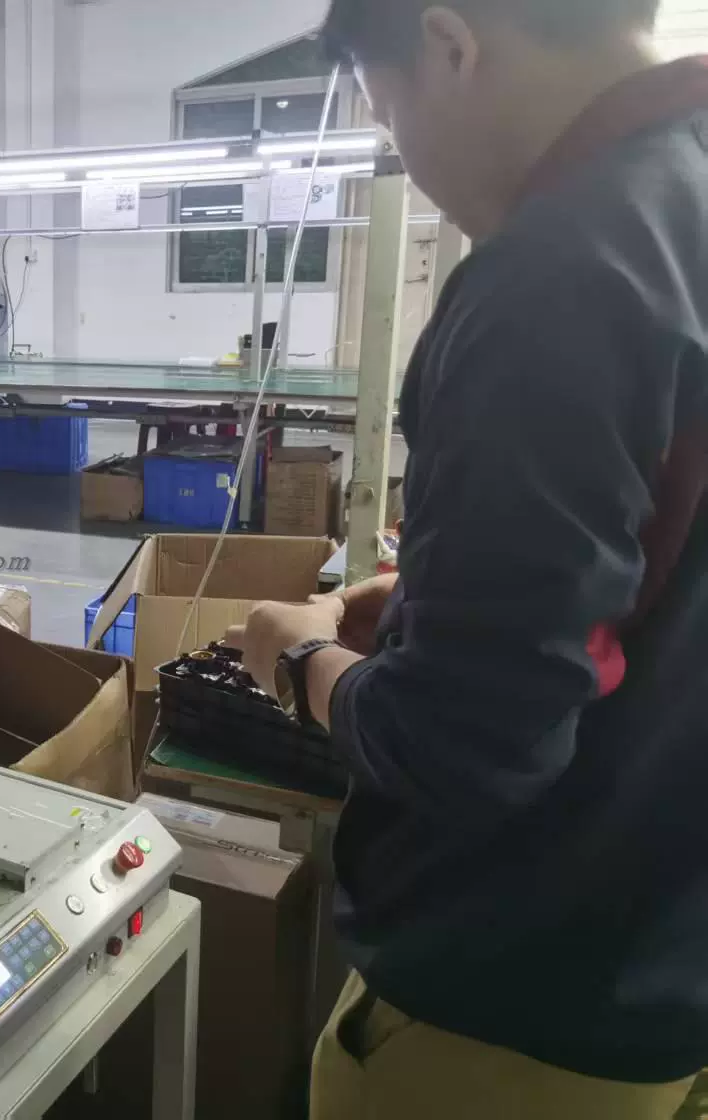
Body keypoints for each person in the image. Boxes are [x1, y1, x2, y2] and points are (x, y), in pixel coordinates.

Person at [227, 1, 708, 1116]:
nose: (402, 149)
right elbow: (660, 557)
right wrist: (445, 598)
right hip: (669, 968)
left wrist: (299, 659)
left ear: (450, 44)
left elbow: (463, 745)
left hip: (511, 1010)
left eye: (384, 108)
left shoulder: (558, 277)